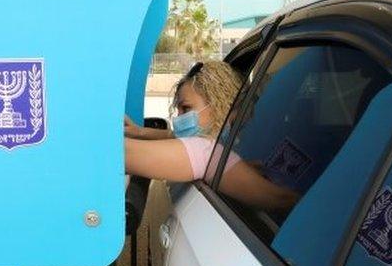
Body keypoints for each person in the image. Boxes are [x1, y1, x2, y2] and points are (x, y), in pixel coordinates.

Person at [124, 60, 298, 211]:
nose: (178, 118)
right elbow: (176, 137)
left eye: (186, 108)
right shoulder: (220, 147)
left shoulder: (206, 151)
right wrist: (140, 132)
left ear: (221, 106)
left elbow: (280, 199)